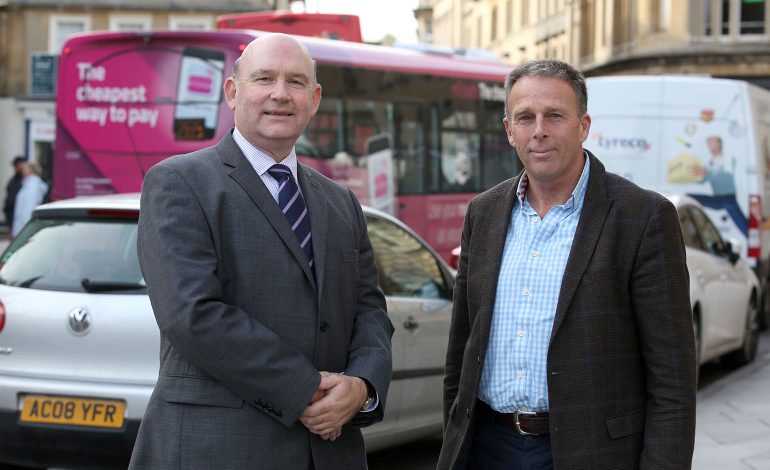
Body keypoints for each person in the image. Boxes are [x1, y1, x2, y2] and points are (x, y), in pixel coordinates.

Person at [129, 33, 394, 470]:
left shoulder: (340, 201)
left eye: (295, 82)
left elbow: (370, 308)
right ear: (233, 92)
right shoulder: (179, 182)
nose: (279, 94)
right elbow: (192, 314)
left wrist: (363, 384)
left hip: (330, 451)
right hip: (217, 449)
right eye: (264, 78)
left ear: (314, 98)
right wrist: (305, 388)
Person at [437, 59, 696, 469]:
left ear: (583, 125)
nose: (538, 130)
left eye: (554, 115)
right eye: (525, 117)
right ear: (509, 130)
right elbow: (462, 351)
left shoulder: (643, 217)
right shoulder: (482, 214)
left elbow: (672, 383)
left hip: (591, 454)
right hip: (487, 448)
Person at [689, 135, 747, 234]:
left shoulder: (728, 159)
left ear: (719, 144)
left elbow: (725, 175)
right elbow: (703, 180)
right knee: (689, 197)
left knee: (744, 227)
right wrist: (692, 175)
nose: (710, 146)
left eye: (712, 143)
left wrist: (707, 172)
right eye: (709, 144)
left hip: (728, 198)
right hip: (718, 199)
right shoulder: (711, 162)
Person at [11, 161, 48, 238]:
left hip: (24, 227)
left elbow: (29, 209)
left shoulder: (32, 186)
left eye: (25, 168)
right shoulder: (27, 184)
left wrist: (24, 229)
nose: (22, 170)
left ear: (31, 170)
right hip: (22, 227)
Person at [3, 156, 25, 233]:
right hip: (14, 219)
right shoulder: (13, 182)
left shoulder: (29, 181)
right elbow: (9, 203)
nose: (14, 168)